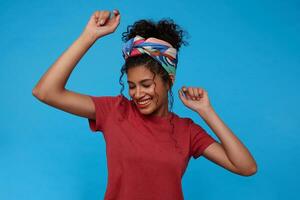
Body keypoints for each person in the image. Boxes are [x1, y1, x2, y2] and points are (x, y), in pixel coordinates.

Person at [32, 9, 257, 200]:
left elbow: (246, 167)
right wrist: (89, 36)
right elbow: (45, 92)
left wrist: (206, 111)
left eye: (146, 84)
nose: (138, 94)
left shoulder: (187, 131)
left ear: (169, 80)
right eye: (132, 86)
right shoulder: (115, 111)